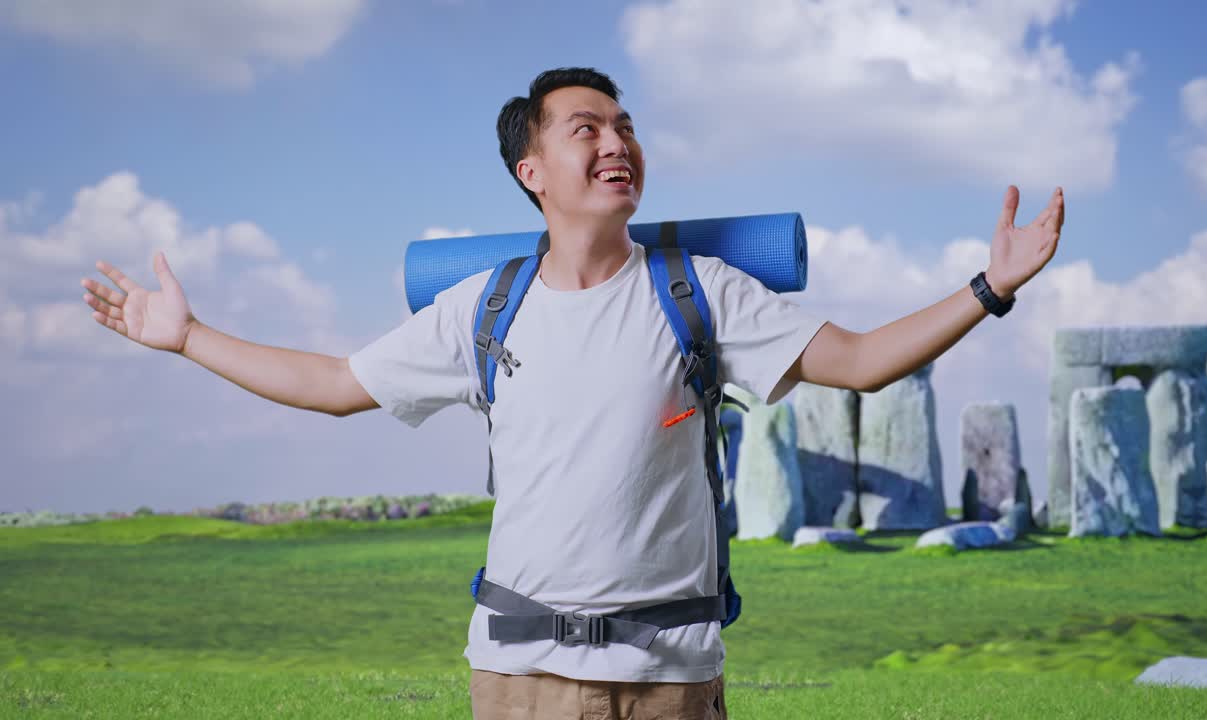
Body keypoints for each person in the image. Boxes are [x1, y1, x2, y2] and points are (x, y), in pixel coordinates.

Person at [79, 66, 1064, 720]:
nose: (617, 144)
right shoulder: (485, 309)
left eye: (625, 127)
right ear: (531, 169)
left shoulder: (697, 292)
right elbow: (337, 383)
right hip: (520, 682)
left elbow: (855, 359)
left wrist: (989, 288)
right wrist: (189, 337)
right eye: (586, 128)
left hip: (672, 678)